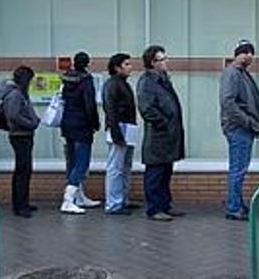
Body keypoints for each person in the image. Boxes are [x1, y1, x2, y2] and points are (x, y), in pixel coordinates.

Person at [136, 45, 185, 222]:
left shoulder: (163, 79)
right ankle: (154, 209)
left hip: (168, 136)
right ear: (152, 63)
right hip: (158, 137)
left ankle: (165, 205)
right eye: (161, 59)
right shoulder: (147, 82)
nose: (166, 62)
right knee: (155, 173)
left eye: (165, 58)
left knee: (165, 172)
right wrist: (164, 123)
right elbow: (146, 109)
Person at [220, 40, 259, 221]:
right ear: (238, 54)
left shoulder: (243, 74)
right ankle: (233, 208)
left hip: (244, 128)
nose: (250, 56)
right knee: (238, 170)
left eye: (251, 52)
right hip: (239, 129)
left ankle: (237, 203)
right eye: (246, 52)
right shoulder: (231, 73)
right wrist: (248, 122)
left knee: (240, 169)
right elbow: (228, 102)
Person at [59, 51, 101, 214]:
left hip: (67, 124)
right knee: (82, 162)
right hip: (82, 125)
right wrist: (95, 123)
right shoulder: (86, 80)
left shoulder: (66, 79)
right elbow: (89, 104)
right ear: (87, 64)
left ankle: (79, 197)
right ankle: (68, 200)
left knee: (73, 161)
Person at [0, 66, 40, 218]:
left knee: (24, 170)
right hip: (20, 135)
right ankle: (20, 206)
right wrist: (31, 123)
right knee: (23, 170)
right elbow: (13, 115)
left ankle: (23, 202)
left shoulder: (19, 93)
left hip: (24, 135)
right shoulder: (15, 94)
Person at [103, 52, 138, 215]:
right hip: (119, 128)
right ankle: (113, 204)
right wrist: (116, 133)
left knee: (125, 166)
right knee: (115, 167)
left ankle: (123, 199)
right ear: (117, 68)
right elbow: (110, 109)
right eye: (126, 64)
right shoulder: (112, 84)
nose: (130, 67)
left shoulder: (123, 83)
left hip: (128, 127)